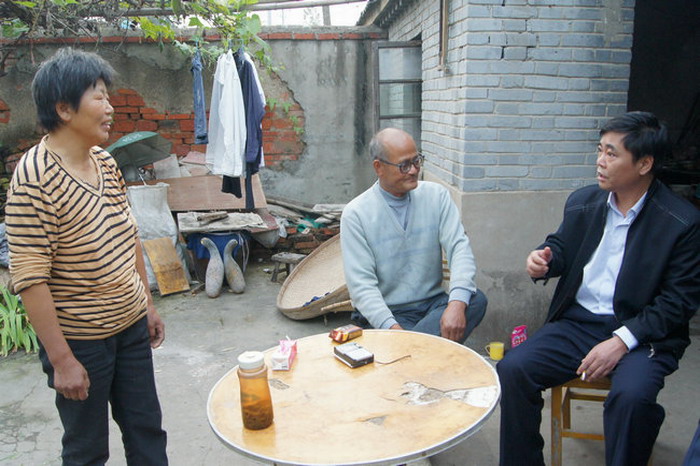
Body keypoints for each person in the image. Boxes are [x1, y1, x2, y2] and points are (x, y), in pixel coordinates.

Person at [497, 111, 700, 466]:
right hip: (578, 324)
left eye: (611, 153)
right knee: (513, 369)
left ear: (644, 164)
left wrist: (621, 341)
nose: (600, 161)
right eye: (600, 150)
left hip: (643, 334)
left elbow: (678, 302)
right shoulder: (585, 201)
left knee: (631, 398)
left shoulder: (681, 222)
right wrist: (544, 259)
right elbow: (561, 246)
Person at [5, 48, 168, 465]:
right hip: (81, 342)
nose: (109, 107)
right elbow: (30, 277)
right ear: (63, 109)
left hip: (130, 328)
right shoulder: (34, 178)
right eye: (98, 96)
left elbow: (128, 236)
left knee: (147, 432)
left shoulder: (105, 163)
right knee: (87, 450)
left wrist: (147, 306)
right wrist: (62, 360)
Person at [340, 128, 487, 343]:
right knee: (416, 339)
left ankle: (410, 349)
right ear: (379, 167)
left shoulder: (437, 196)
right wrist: (393, 328)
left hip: (433, 306)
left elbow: (459, 249)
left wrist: (456, 305)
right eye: (404, 165)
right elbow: (361, 286)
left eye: (417, 161)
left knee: (475, 300)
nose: (413, 170)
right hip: (390, 314)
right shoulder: (356, 214)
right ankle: (415, 347)